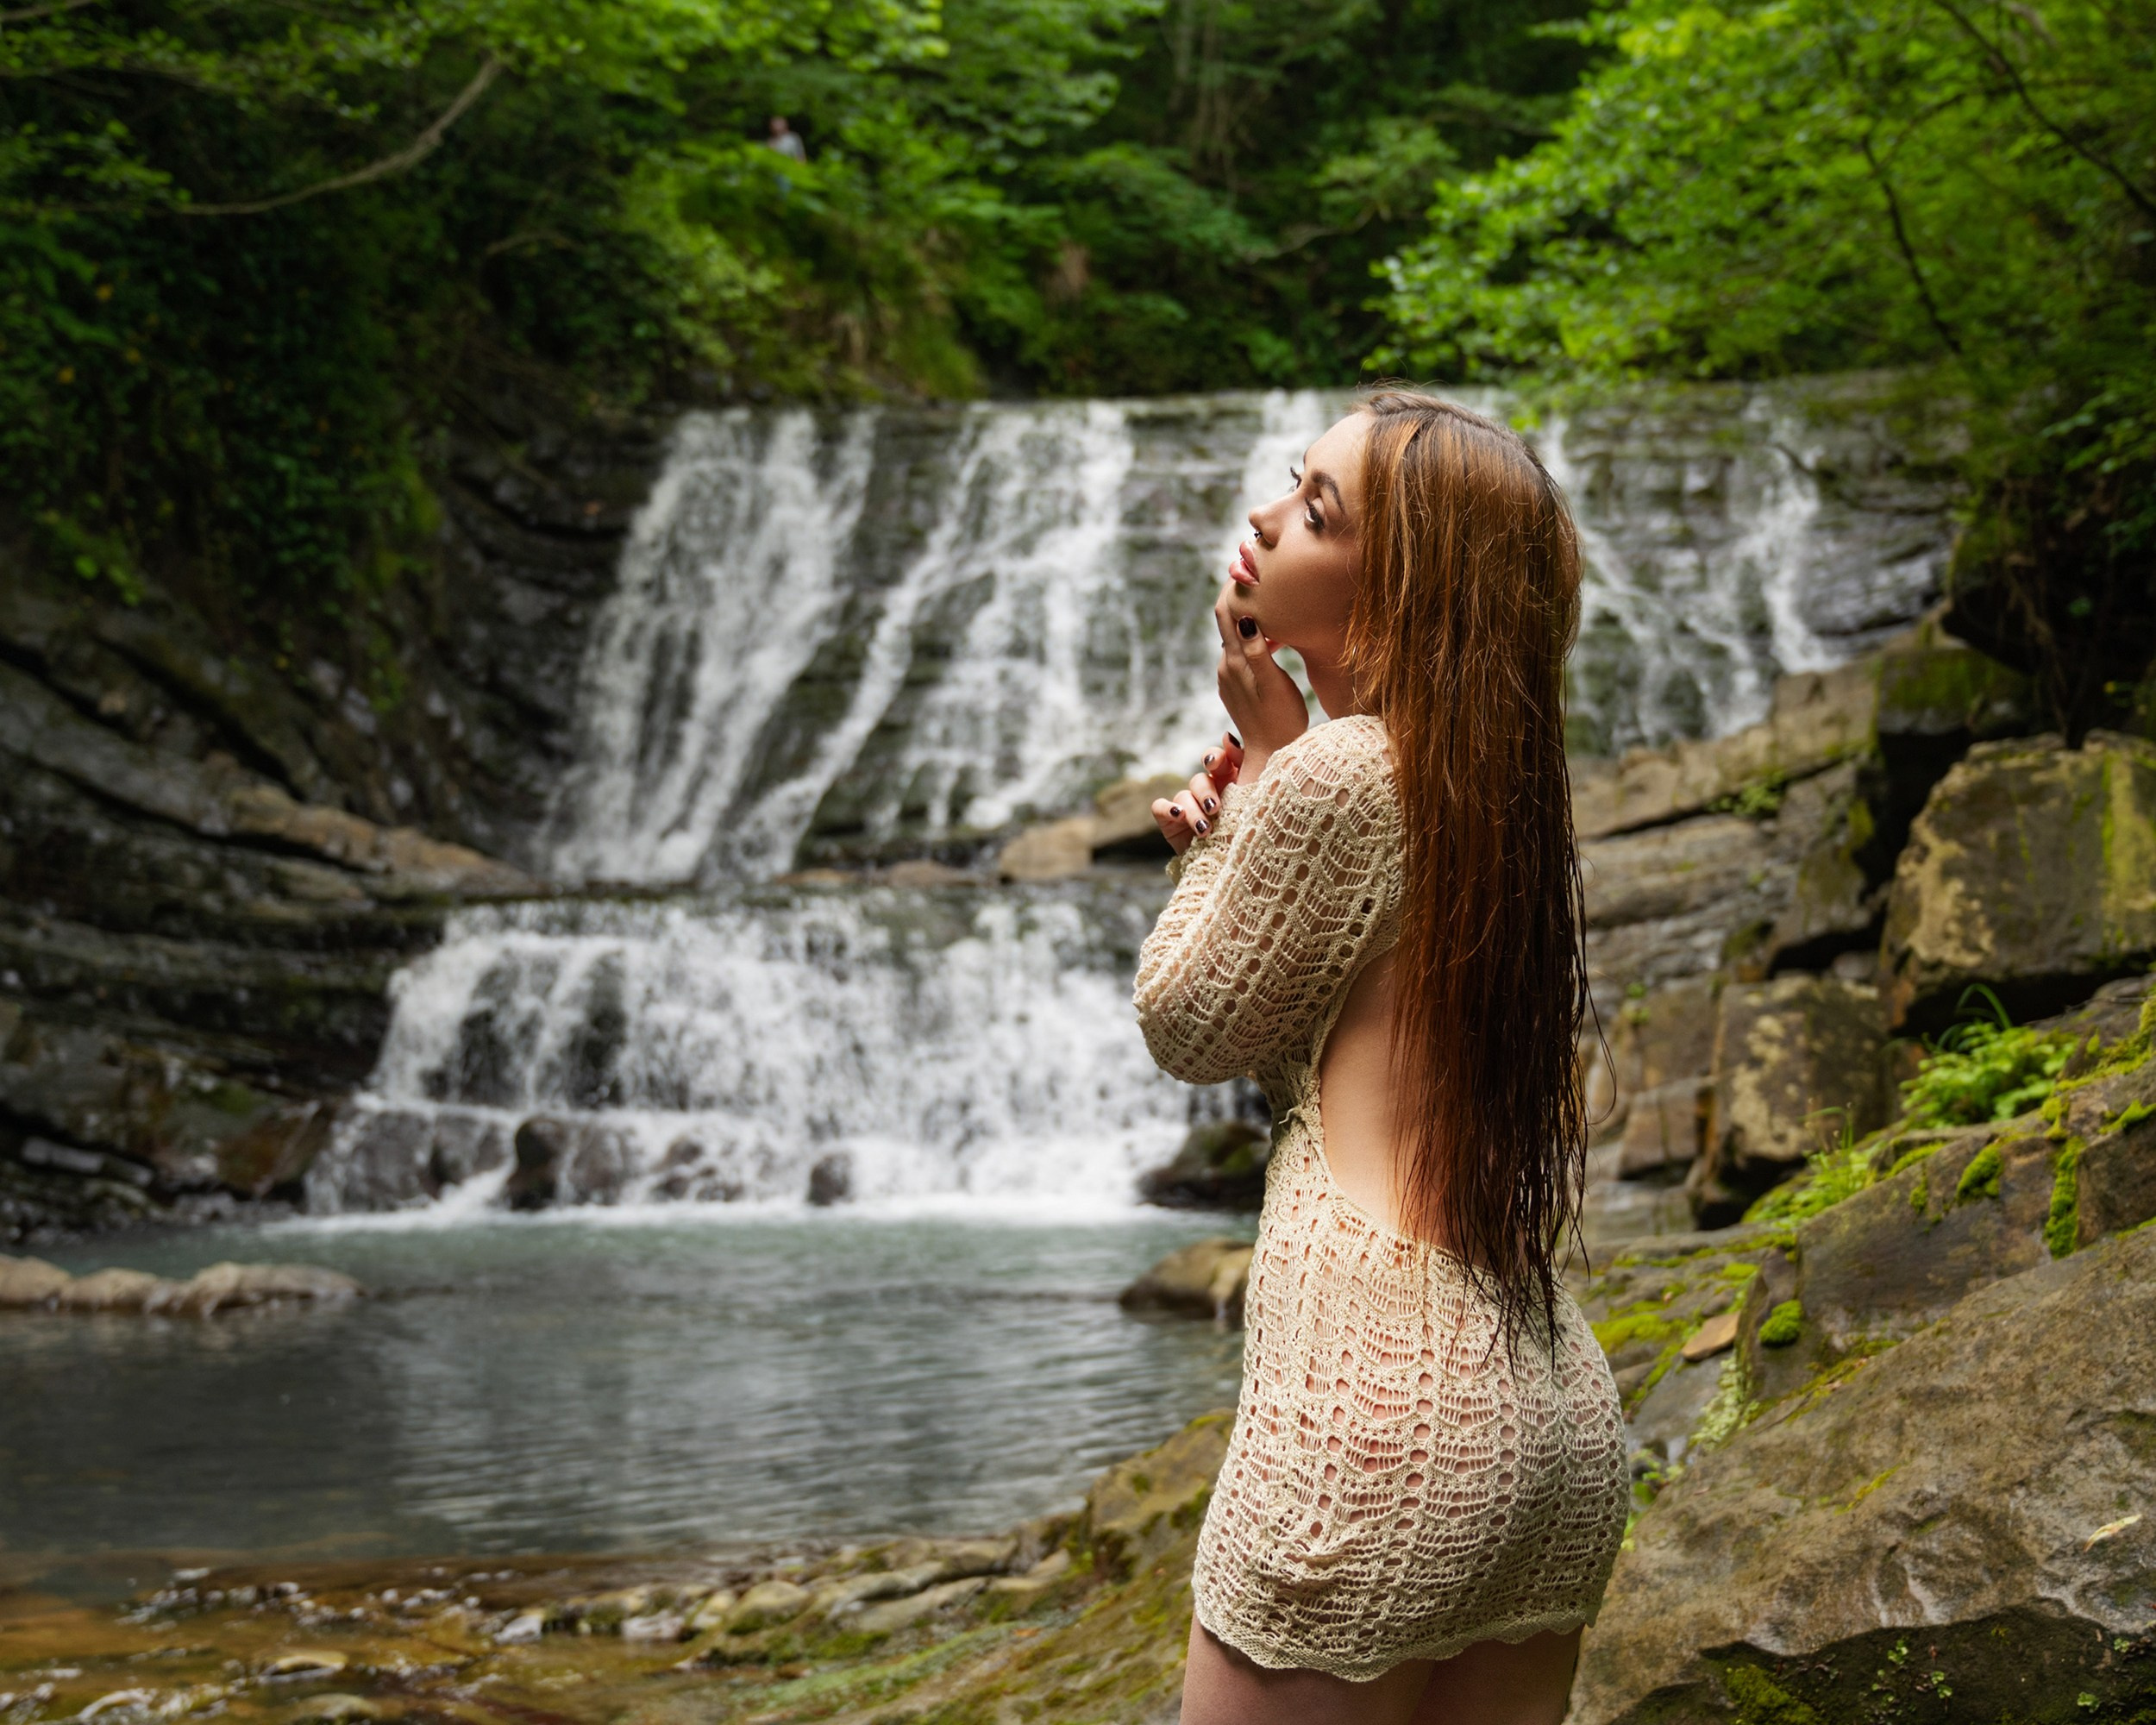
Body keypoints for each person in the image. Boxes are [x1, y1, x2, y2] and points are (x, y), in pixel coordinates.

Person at [1135, 390, 1629, 1725]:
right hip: (1553, 1413)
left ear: (1404, 590)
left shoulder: (1337, 776)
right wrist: (1269, 788)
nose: (1264, 517)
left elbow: (1189, 1022)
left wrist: (1242, 808)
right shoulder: (1487, 781)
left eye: (1315, 509)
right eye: (1292, 486)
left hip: (1376, 1411)